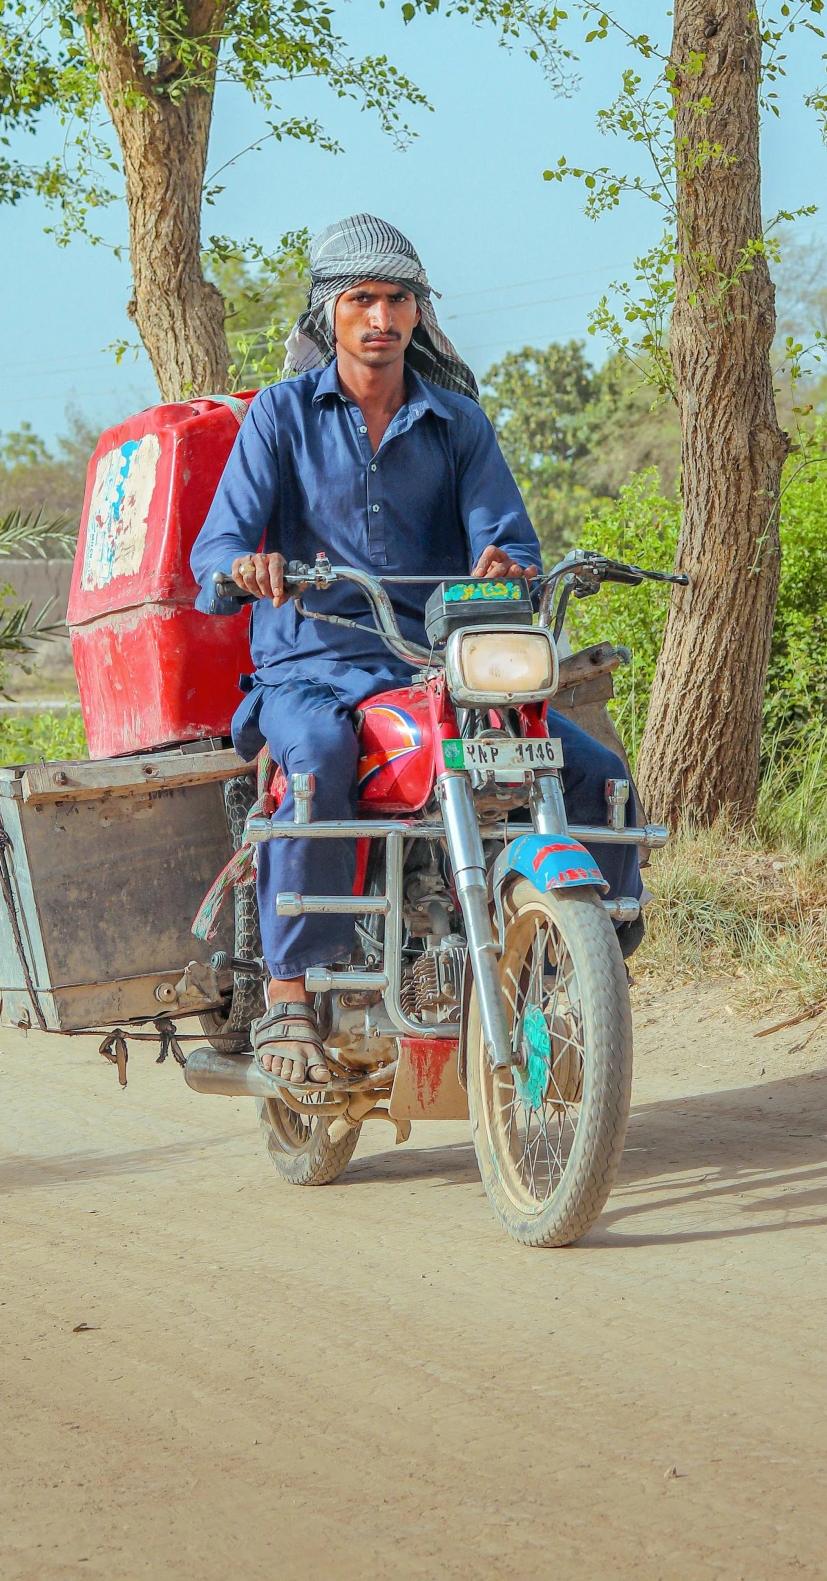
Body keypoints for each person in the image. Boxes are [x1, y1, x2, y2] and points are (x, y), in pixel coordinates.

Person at [191, 213, 642, 1090]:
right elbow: (215, 551)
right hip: (311, 665)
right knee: (318, 760)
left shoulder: (457, 423)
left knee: (593, 771)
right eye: (360, 299)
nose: (379, 318)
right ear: (327, 314)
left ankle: (590, 952)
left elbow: (511, 542)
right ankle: (288, 995)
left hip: (432, 668)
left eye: (397, 299)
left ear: (417, 313)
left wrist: (508, 565)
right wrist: (248, 567)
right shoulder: (281, 416)